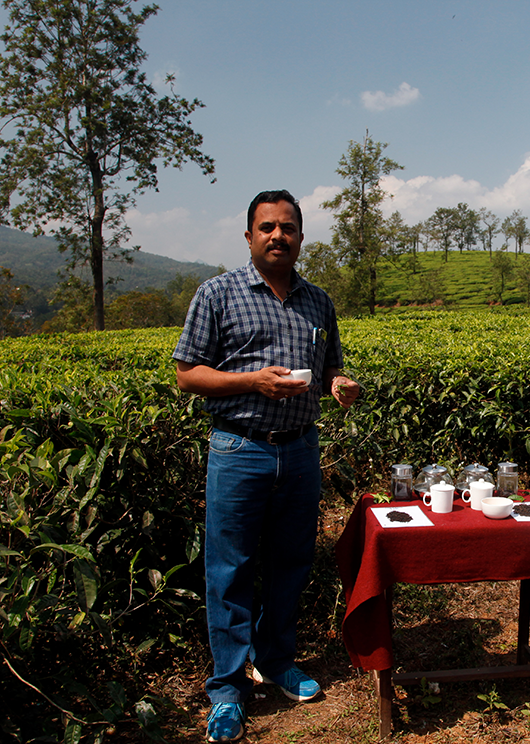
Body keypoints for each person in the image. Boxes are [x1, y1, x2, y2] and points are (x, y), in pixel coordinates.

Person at [172, 189, 360, 742]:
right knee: (229, 570)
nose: (279, 236)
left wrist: (338, 385)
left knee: (291, 562)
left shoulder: (318, 301)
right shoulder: (217, 293)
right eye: (268, 227)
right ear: (249, 235)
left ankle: (277, 660)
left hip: (301, 449)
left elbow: (330, 367)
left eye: (289, 227)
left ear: (301, 237)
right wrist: (252, 382)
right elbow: (187, 374)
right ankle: (229, 688)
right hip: (239, 447)